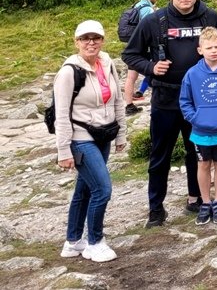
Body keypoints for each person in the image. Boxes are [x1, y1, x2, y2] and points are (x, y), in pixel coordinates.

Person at [123, 0, 217, 228]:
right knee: (160, 155)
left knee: (199, 153)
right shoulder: (153, 21)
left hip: (202, 101)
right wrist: (150, 67)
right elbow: (130, 54)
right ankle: (156, 209)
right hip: (166, 98)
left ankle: (196, 199)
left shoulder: (211, 17)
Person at [56, 20, 126, 263]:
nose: (91, 42)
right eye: (85, 38)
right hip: (80, 138)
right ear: (77, 42)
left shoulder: (107, 63)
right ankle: (95, 242)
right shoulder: (68, 72)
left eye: (96, 37)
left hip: (104, 134)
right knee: (102, 189)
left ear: (103, 40)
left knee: (84, 188)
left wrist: (121, 134)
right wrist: (63, 150)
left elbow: (117, 100)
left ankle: (73, 241)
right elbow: (61, 114)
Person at [179, 27, 217, 225]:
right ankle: (205, 202)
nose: (213, 51)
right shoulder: (192, 74)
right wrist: (195, 118)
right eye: (209, 47)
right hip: (200, 129)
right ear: (200, 50)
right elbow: (185, 101)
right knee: (203, 164)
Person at [123, 0, 159, 116]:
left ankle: (129, 105)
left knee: (131, 77)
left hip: (132, 46)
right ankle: (154, 100)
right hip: (145, 47)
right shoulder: (147, 9)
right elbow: (150, 29)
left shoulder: (136, 6)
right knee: (154, 70)